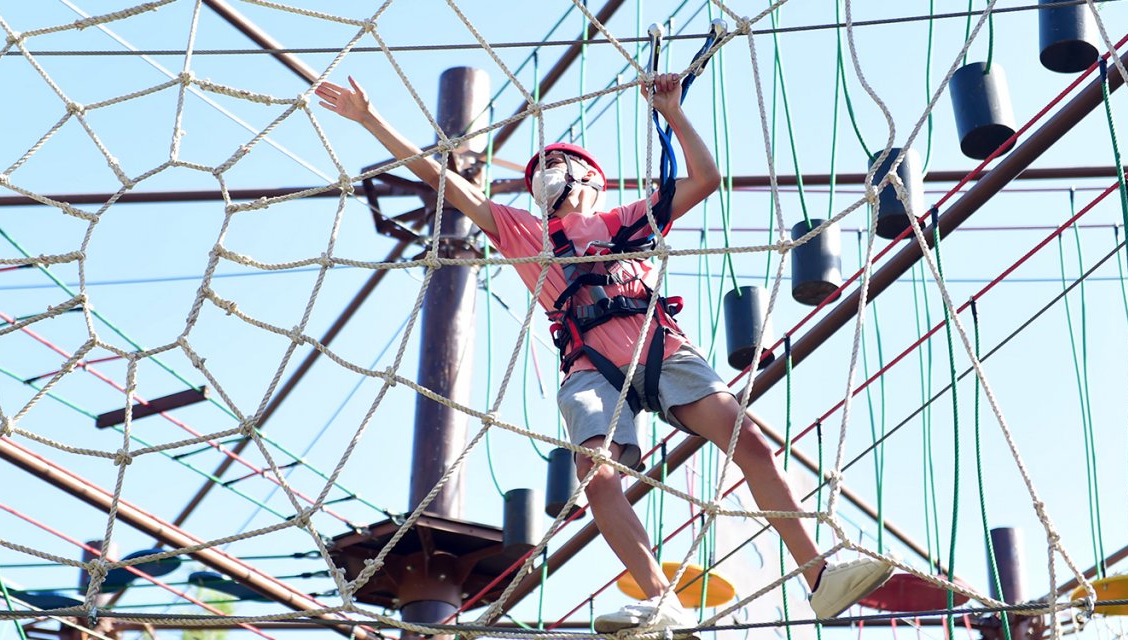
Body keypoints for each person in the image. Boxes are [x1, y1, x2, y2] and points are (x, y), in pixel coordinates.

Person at [317, 73, 893, 634]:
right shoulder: (523, 232)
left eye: (556, 165)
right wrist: (371, 119)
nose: (545, 176)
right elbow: (445, 180)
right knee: (596, 477)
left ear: (593, 181)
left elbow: (706, 178)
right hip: (590, 368)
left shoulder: (627, 221)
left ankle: (819, 574)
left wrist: (672, 113)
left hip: (659, 346)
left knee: (751, 443)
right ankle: (661, 600)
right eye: (538, 171)